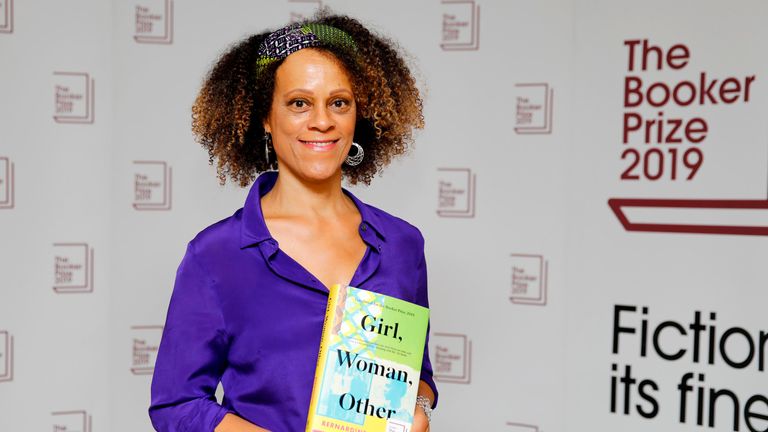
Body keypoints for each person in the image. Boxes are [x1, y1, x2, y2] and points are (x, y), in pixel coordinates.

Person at [148, 12, 438, 432]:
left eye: (339, 102)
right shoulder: (217, 256)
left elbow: (418, 374)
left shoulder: (401, 245)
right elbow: (176, 404)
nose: (322, 121)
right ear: (266, 117)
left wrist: (418, 410)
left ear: (359, 114)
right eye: (299, 103)